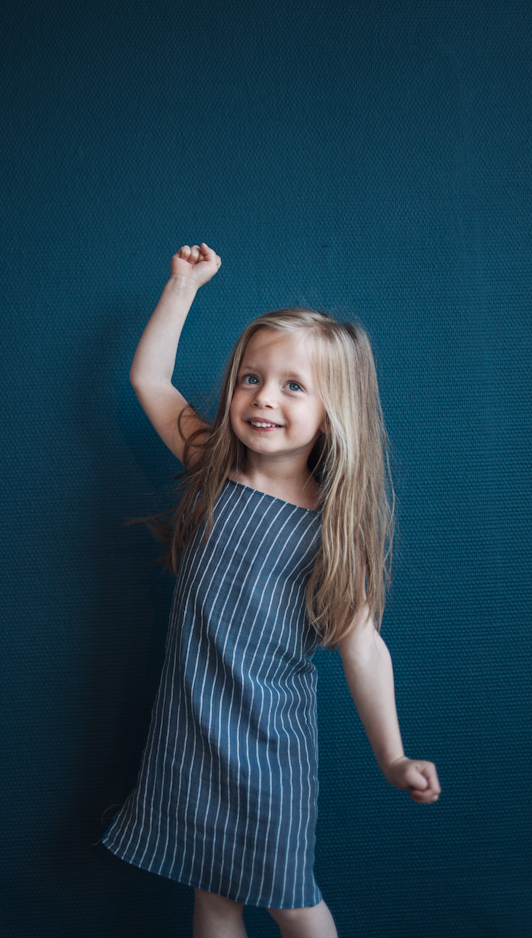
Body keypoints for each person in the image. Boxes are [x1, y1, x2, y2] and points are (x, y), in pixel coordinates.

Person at [101, 242, 440, 938]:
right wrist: (183, 286)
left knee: (290, 899)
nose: (263, 398)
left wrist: (393, 755)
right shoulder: (209, 467)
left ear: (333, 412)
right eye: (251, 378)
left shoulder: (329, 531)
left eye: (293, 386)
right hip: (188, 734)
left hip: (266, 750)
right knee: (212, 894)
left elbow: (363, 649)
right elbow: (149, 379)